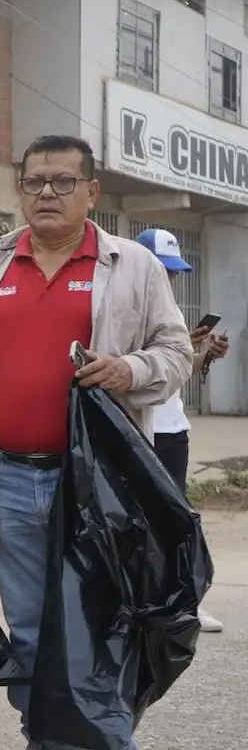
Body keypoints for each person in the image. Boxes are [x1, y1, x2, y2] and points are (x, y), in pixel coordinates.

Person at [0, 135, 192, 750]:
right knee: (32, 630)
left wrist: (130, 369)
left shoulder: (131, 265)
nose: (47, 193)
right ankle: (47, 744)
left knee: (94, 626)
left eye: (63, 181)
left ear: (91, 192)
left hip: (93, 485)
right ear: (21, 189)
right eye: (35, 181)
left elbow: (176, 352)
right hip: (8, 475)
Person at [135, 227, 228, 634]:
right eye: (163, 270)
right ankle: (141, 605)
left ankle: (183, 603)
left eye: (173, 272)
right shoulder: (125, 307)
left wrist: (203, 355)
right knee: (139, 520)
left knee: (177, 519)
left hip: (172, 430)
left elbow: (178, 371)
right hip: (139, 430)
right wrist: (179, 348)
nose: (169, 279)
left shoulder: (168, 309)